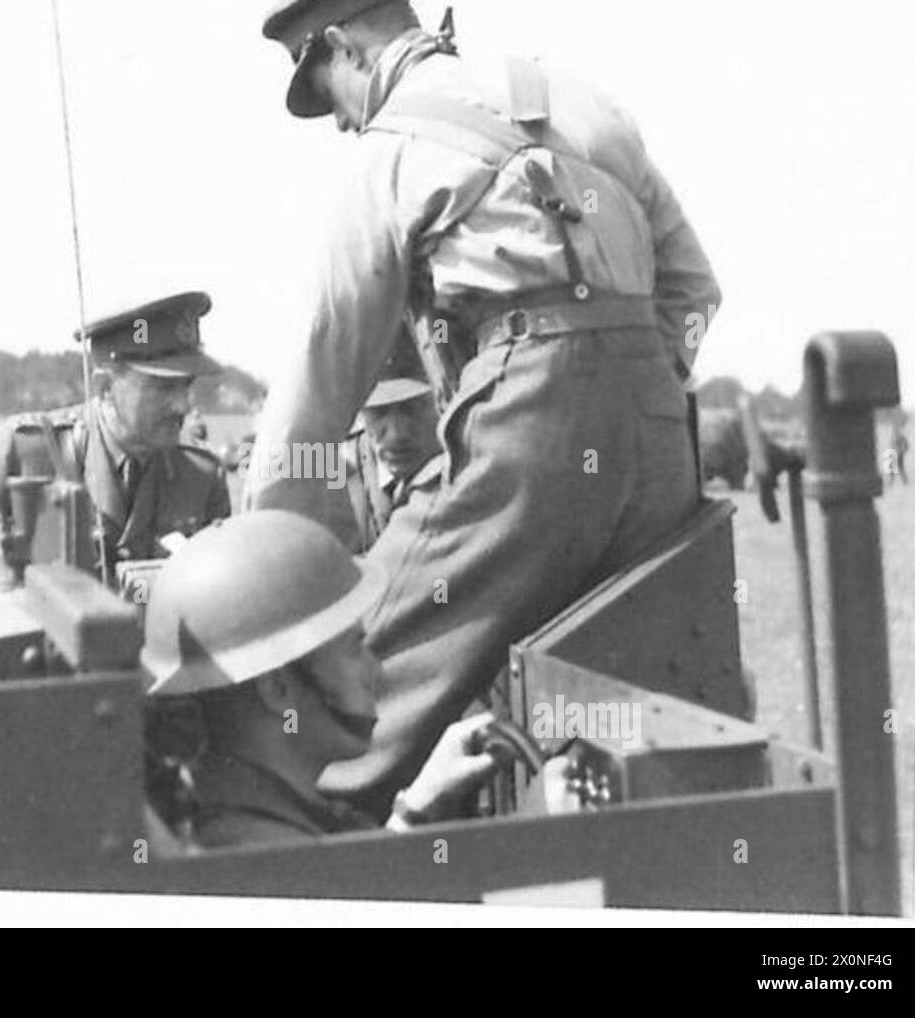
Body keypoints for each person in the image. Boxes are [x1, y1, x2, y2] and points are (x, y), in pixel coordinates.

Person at [250, 1, 720, 816]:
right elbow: (692, 288)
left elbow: (323, 377)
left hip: (532, 430)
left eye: (326, 93)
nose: (336, 124)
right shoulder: (583, 98)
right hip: (659, 428)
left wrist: (267, 560)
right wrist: (631, 381)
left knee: (353, 675)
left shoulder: (388, 151)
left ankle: (287, 844)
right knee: (632, 675)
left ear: (340, 46)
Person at [142, 509, 501, 848]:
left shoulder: (239, 813)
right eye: (354, 649)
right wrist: (534, 837)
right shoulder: (263, 852)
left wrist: (415, 813)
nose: (375, 671)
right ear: (278, 689)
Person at [0, 292, 231, 580]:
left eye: (186, 386)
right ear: (104, 387)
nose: (184, 405)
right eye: (163, 387)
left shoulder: (202, 476)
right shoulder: (22, 449)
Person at [345, 368, 441, 552]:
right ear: (360, 415)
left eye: (413, 408)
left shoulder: (468, 461)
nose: (396, 435)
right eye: (378, 412)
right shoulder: (339, 474)